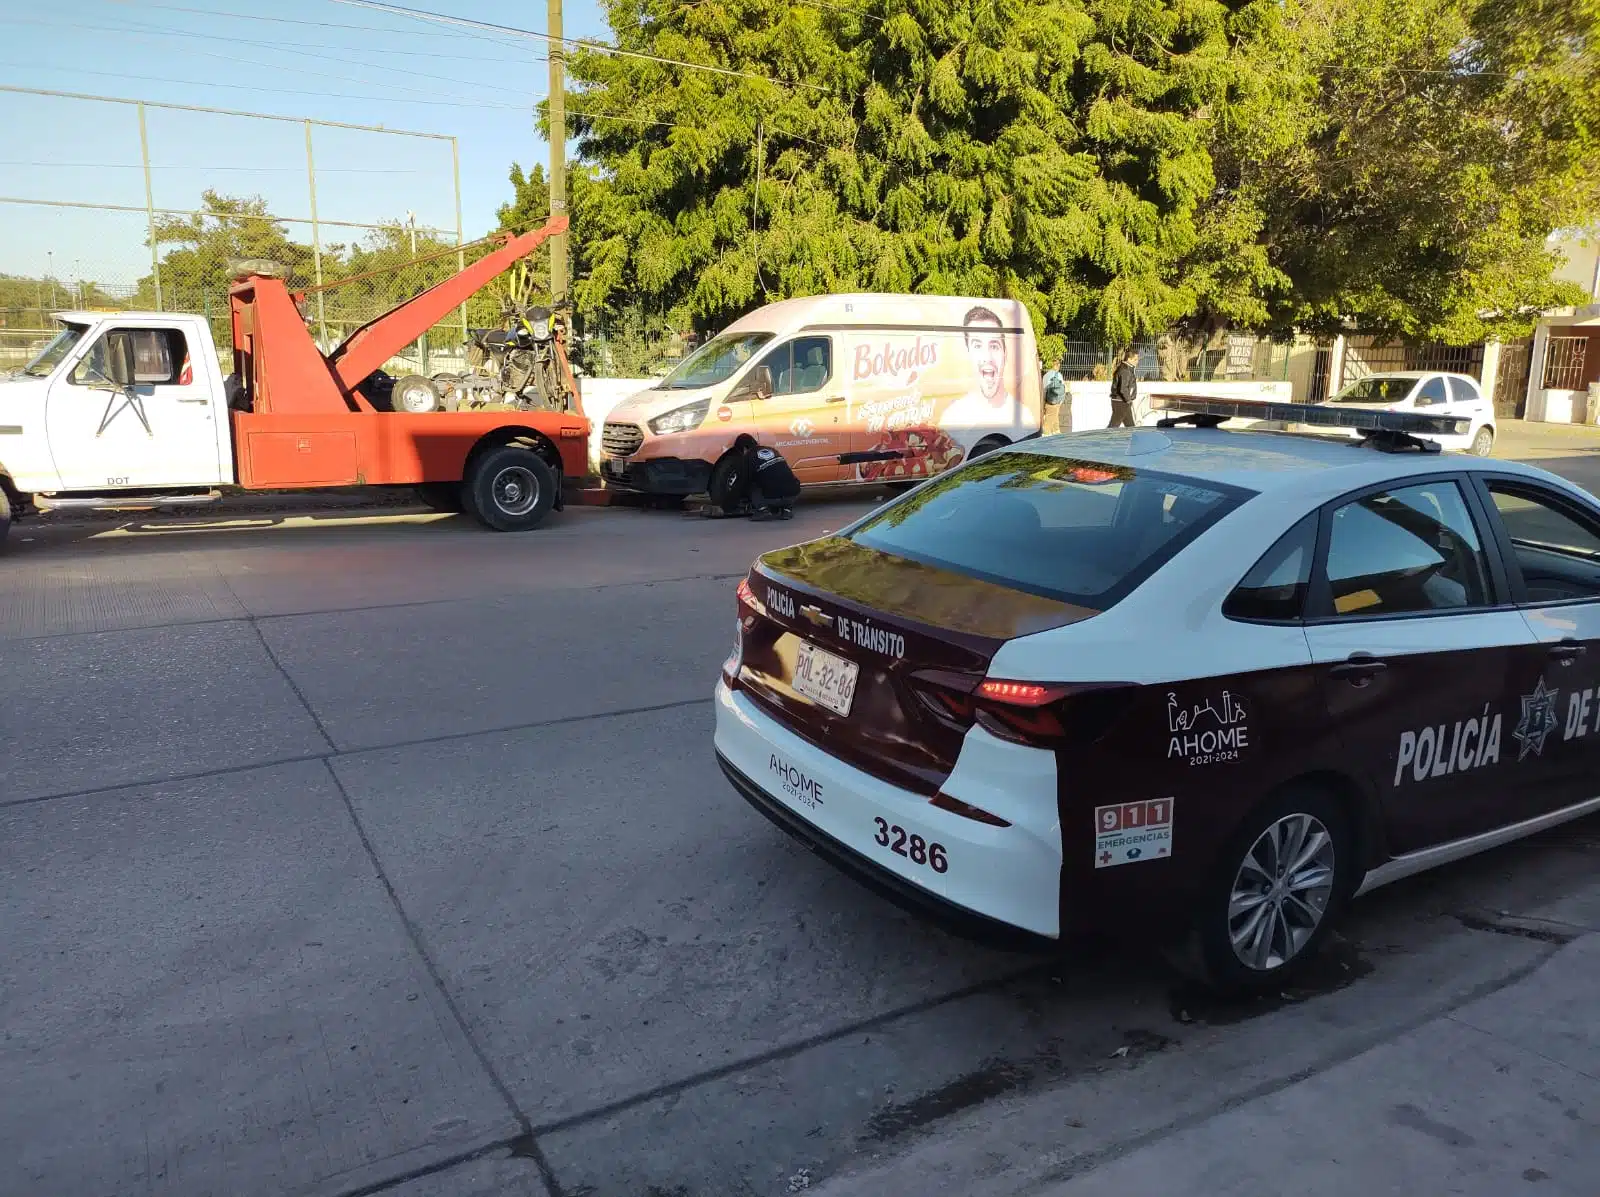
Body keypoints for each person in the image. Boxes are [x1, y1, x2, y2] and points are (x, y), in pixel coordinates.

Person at [727, 433, 800, 520]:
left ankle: (763, 510)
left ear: (743, 448)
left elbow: (743, 481)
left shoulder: (748, 457)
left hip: (773, 499)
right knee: (786, 479)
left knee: (750, 485)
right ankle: (787, 510)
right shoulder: (772, 450)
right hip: (793, 494)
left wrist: (731, 499)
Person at [1109, 347, 1140, 428]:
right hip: (1121, 402)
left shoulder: (1127, 369)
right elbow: (1123, 388)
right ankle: (1105, 439)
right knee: (1113, 426)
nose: (1137, 361)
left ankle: (1133, 439)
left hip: (1123, 401)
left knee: (1130, 426)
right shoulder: (1125, 370)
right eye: (1135, 359)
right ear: (1129, 359)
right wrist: (1129, 400)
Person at [1042, 358, 1067, 435]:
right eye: (1058, 364)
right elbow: (1063, 388)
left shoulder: (1046, 376)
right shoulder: (1059, 375)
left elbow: (1044, 390)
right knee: (1052, 419)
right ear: (1057, 365)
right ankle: (1053, 434)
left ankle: (1051, 434)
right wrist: (1061, 401)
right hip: (1057, 401)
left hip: (1049, 400)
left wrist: (1043, 402)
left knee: (1051, 419)